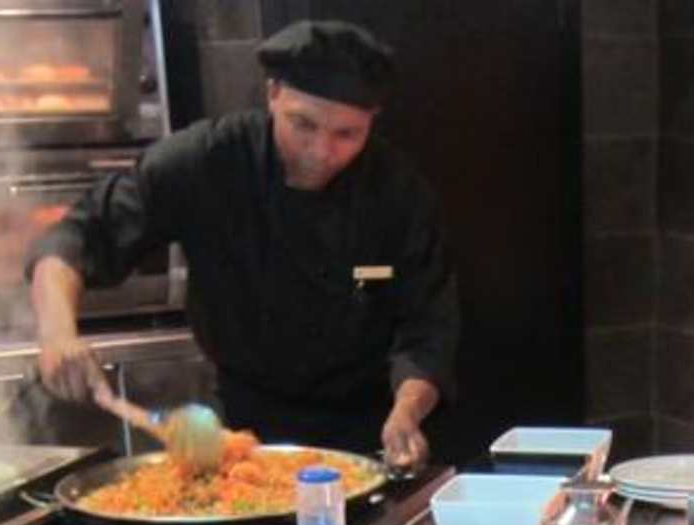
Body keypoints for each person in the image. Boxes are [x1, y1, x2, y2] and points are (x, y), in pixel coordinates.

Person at [28, 20, 458, 464]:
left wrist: (407, 413)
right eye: (303, 124)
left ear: (372, 121)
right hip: (242, 430)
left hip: (368, 433)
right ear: (273, 94)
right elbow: (74, 238)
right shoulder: (206, 161)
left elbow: (428, 328)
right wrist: (57, 332)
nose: (321, 151)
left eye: (346, 134)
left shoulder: (398, 192)